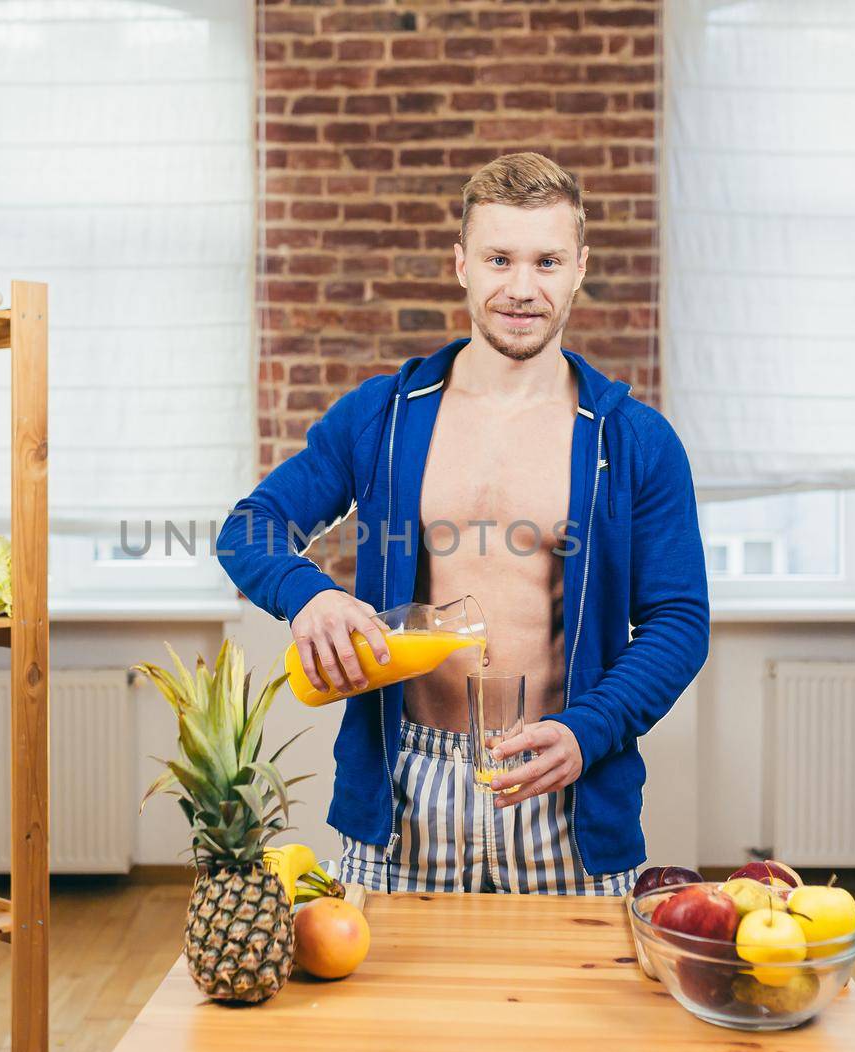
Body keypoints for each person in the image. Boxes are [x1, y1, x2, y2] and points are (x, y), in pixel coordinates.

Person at [217, 153, 709, 894]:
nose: (521, 287)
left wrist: (590, 728)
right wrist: (309, 596)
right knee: (387, 1014)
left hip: (566, 793)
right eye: (498, 258)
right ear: (461, 265)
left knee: (575, 1014)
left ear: (579, 267)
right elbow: (251, 525)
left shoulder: (633, 440)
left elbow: (679, 621)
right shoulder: (381, 416)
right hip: (402, 792)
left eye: (546, 261)